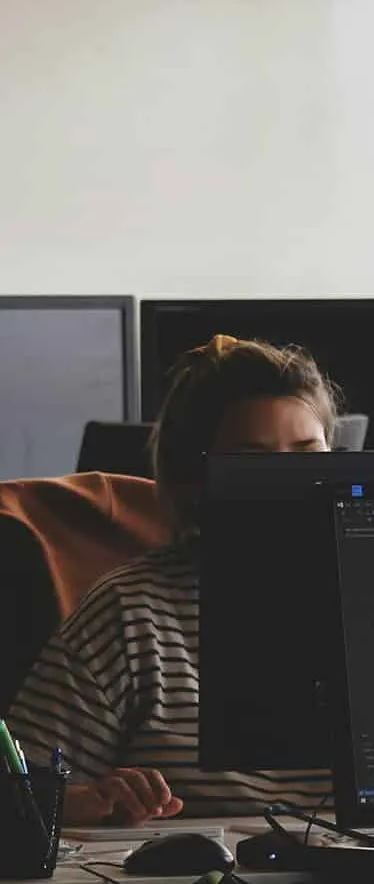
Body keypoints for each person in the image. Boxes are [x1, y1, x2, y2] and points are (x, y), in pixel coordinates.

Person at [5, 335, 335, 823]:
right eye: (252, 462)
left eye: (309, 455)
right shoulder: (132, 610)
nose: (289, 482)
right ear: (191, 481)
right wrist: (86, 801)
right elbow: (15, 798)